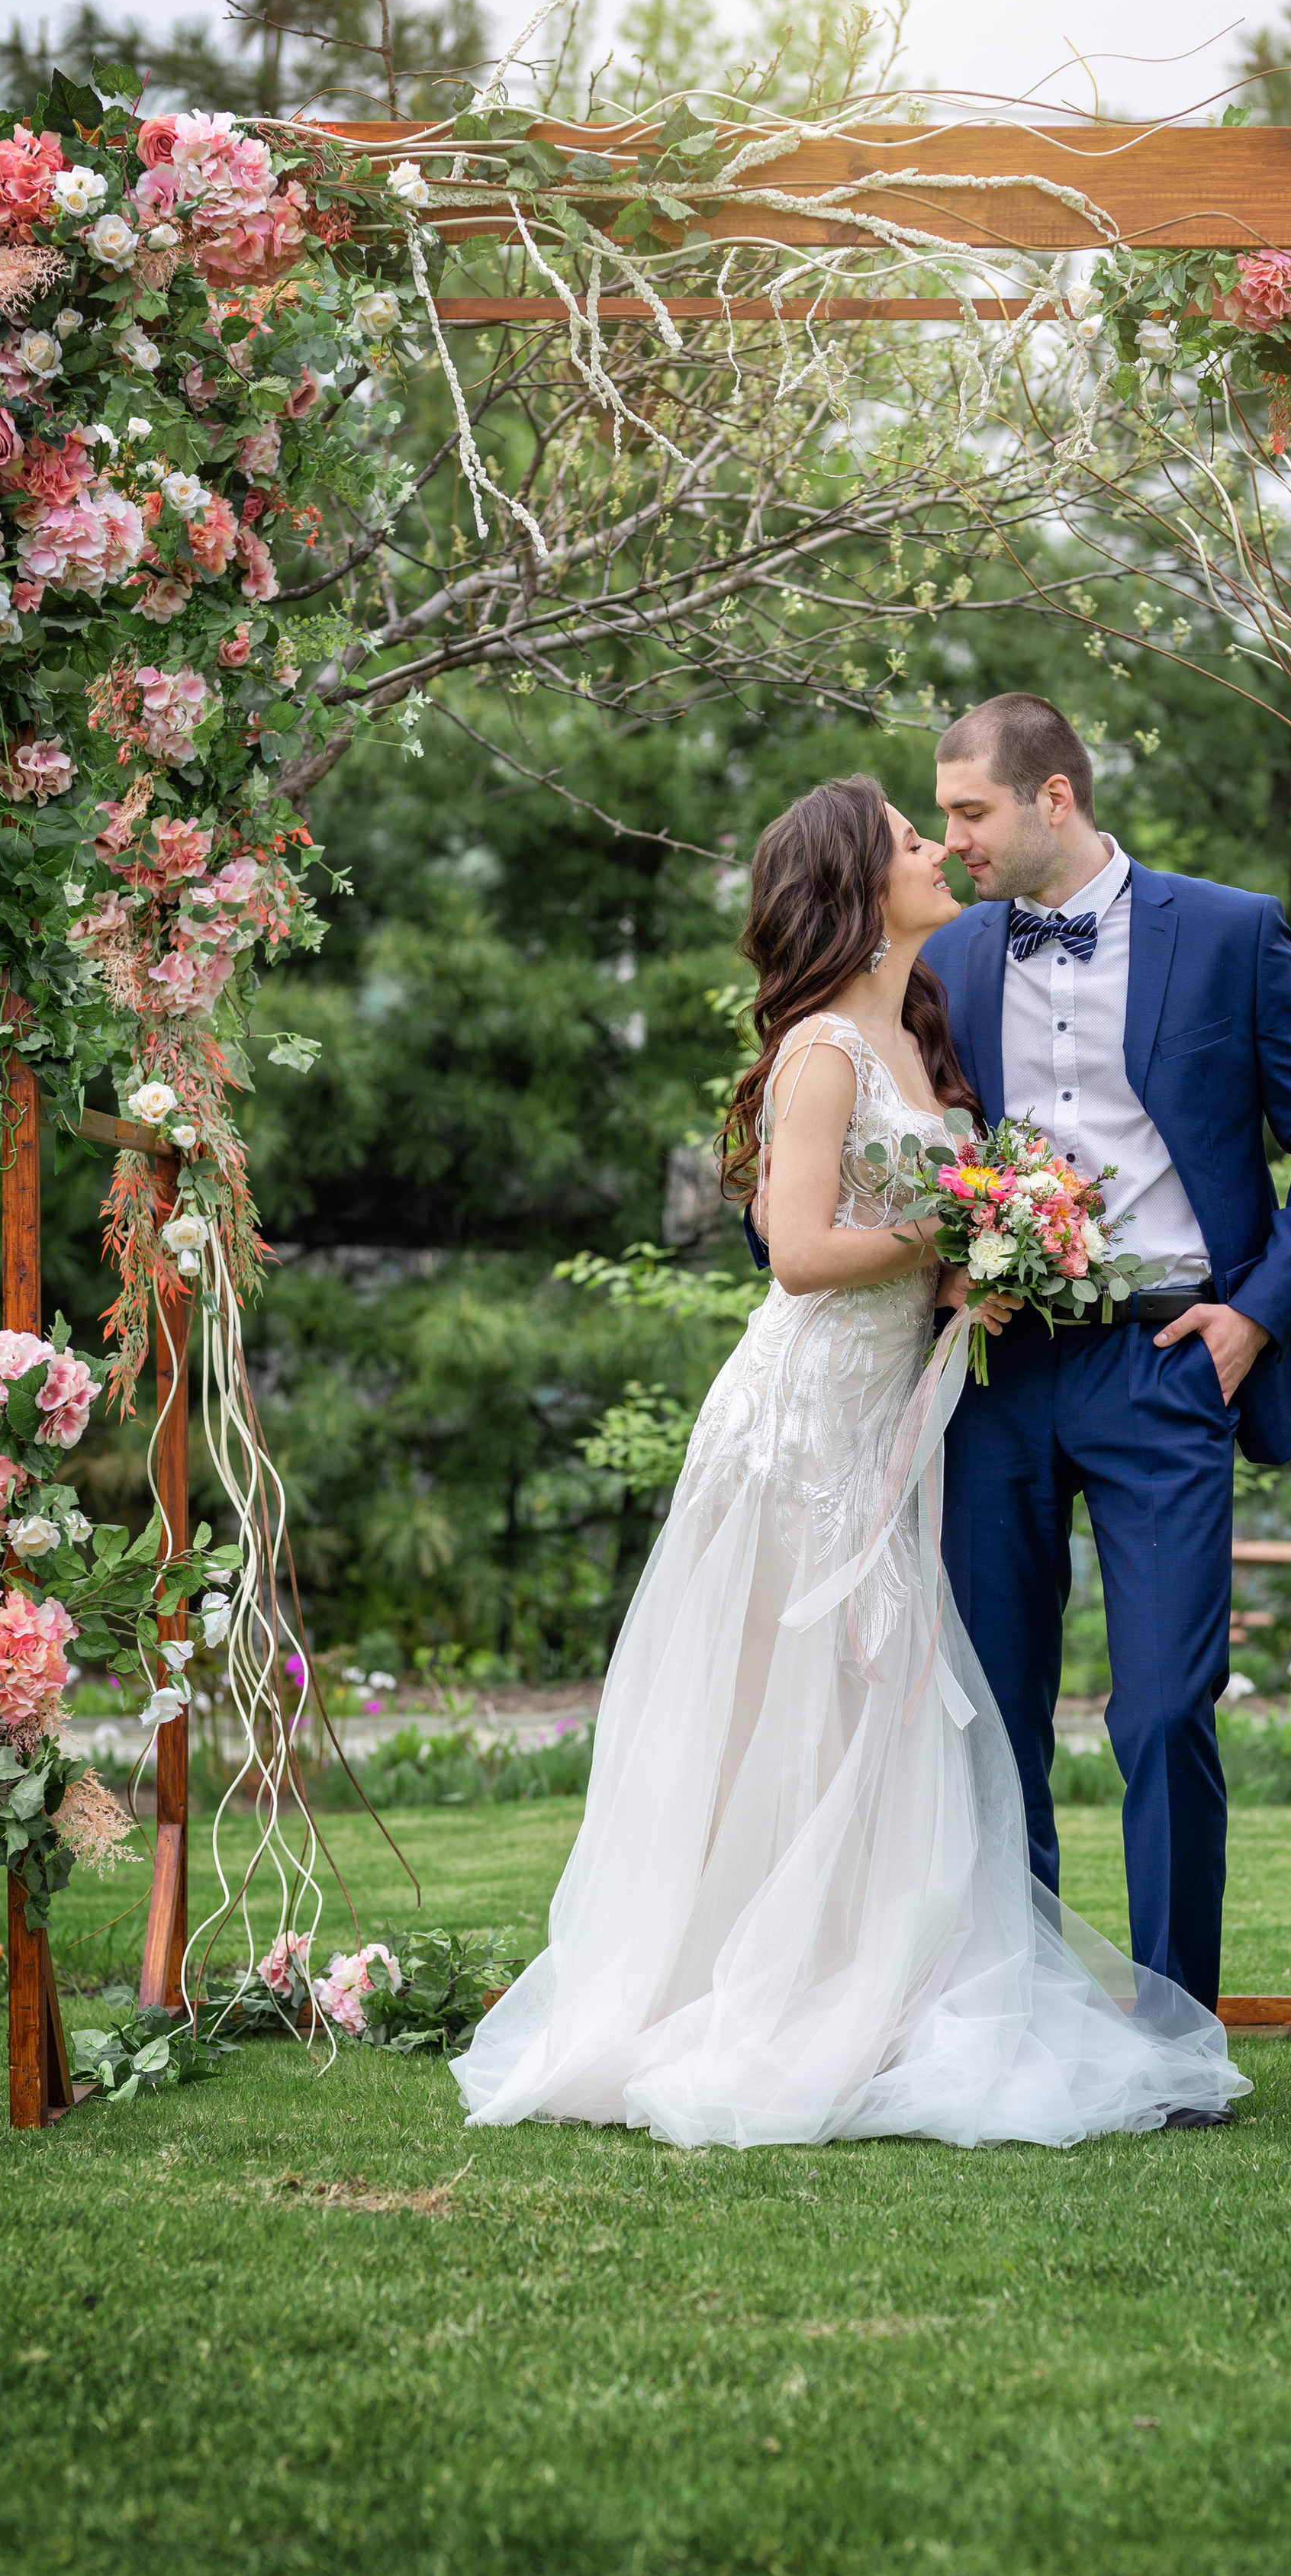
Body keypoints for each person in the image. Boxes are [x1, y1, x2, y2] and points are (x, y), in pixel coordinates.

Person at [452, 773, 1248, 2147]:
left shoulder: (923, 1028)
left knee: (869, 1711)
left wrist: (972, 1271)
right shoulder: (822, 1050)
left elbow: (900, 1232)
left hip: (896, 1409)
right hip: (805, 1419)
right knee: (792, 1705)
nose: (939, 851)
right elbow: (805, 1253)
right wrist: (961, 1239)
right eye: (909, 841)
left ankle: (872, 1982)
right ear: (856, 887)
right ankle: (755, 1992)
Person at [922, 693, 1291, 2019]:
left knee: (1168, 1706)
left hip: (1169, 1362)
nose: (955, 842)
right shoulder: (946, 954)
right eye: (944, 817)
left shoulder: (1231, 932)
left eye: (972, 813)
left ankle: (1179, 2027)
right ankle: (1021, 2014)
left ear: (1053, 796)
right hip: (999, 1374)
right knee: (996, 1718)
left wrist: (1257, 1314)